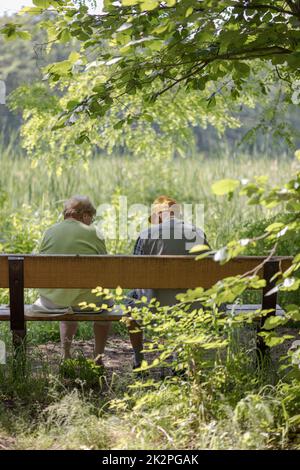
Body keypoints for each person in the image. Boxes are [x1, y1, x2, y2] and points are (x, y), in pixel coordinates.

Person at [127, 195, 210, 368]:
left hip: (154, 306)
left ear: (158, 216)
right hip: (193, 305)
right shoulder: (197, 232)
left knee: (130, 300)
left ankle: (139, 360)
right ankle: (182, 362)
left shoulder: (146, 235)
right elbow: (208, 270)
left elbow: (136, 275)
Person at [35, 195, 114, 365]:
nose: (91, 221)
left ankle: (66, 355)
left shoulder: (50, 231)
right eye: (91, 217)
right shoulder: (94, 232)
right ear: (85, 214)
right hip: (90, 303)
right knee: (106, 304)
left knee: (66, 296)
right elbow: (105, 266)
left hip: (53, 302)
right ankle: (98, 357)